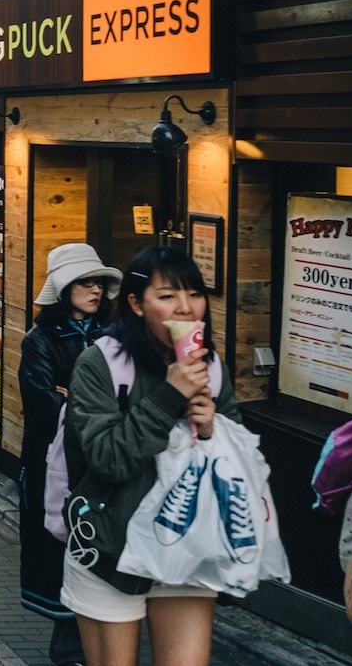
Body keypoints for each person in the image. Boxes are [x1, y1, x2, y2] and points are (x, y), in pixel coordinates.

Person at [60, 245, 239, 666]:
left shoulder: (212, 369)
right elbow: (108, 459)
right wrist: (168, 396)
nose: (187, 309)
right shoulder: (100, 364)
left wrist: (214, 426)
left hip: (188, 544)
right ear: (137, 305)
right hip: (110, 547)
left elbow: (240, 461)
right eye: (167, 296)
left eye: (195, 294)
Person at [18, 243, 121, 666]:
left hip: (105, 462)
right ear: (64, 289)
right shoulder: (39, 340)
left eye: (99, 282)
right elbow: (43, 400)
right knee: (60, 545)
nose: (95, 289)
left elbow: (126, 398)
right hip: (53, 464)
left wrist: (78, 399)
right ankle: (69, 647)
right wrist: (97, 408)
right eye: (85, 281)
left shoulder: (113, 337)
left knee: (100, 547)